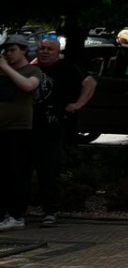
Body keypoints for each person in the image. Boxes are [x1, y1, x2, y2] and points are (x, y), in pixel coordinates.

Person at [31, 34, 95, 226]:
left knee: (49, 169)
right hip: (29, 125)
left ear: (58, 52)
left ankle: (50, 210)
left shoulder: (67, 69)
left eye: (49, 49)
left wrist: (78, 104)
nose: (44, 52)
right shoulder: (32, 69)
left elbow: (90, 82)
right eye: (42, 48)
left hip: (53, 127)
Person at [0, 37, 41, 229]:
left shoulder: (32, 71)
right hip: (2, 128)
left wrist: (6, 68)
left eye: (12, 50)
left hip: (19, 129)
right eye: (6, 50)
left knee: (17, 171)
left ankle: (16, 215)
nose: (8, 54)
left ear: (23, 50)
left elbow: (28, 86)